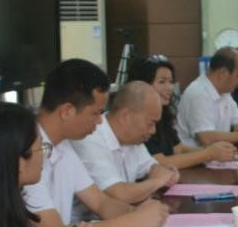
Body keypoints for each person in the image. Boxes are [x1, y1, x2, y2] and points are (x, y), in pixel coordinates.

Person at [23, 59, 169, 227]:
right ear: (67, 111)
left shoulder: (63, 146)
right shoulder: (25, 152)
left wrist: (143, 214)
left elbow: (101, 203)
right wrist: (133, 220)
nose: (100, 121)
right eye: (96, 113)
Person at [72, 80, 179, 209]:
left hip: (121, 215)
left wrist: (166, 173)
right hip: (90, 220)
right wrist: (157, 181)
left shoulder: (133, 139)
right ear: (125, 116)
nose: (153, 131)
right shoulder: (90, 139)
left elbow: (153, 168)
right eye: (150, 123)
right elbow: (119, 195)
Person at [127, 57, 236, 169]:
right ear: (142, 85)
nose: (169, 88)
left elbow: (179, 149)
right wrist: (208, 153)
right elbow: (158, 163)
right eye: (162, 82)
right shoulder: (137, 119)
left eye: (171, 82)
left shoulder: (164, 114)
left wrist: (217, 151)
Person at [175, 47, 238, 147]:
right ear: (223, 73)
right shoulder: (198, 93)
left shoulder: (225, 93)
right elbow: (206, 138)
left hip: (220, 154)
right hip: (196, 156)